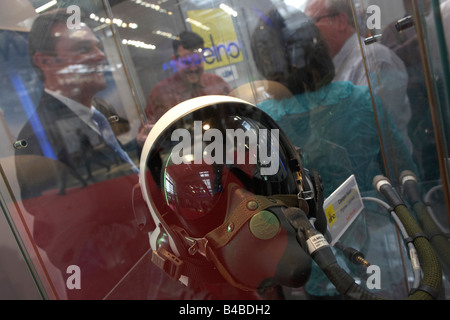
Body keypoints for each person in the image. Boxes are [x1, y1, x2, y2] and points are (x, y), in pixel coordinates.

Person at [250, 6, 417, 298]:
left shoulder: (260, 123)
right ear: (318, 49)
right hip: (381, 254)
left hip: (313, 269)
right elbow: (404, 171)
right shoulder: (361, 100)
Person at [13, 8, 152, 299]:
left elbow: (103, 174)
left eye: (98, 46)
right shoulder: (38, 141)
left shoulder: (97, 110)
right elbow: (73, 246)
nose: (100, 56)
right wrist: (155, 220)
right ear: (46, 62)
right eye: (83, 49)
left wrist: (139, 150)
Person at [305, 0, 414, 155]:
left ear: (340, 21)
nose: (307, 34)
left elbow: (372, 131)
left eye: (311, 22)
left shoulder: (374, 59)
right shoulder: (334, 64)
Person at [137, 31, 231, 146]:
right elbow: (146, 133)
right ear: (175, 60)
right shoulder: (161, 92)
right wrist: (144, 136)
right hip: (182, 156)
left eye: (198, 61)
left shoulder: (216, 82)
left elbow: (236, 120)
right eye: (187, 62)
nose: (193, 68)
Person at [380, 0, 440, 182]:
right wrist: (418, 39)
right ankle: (425, 182)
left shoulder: (436, 21)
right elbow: (392, 56)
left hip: (436, 88)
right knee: (418, 142)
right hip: (412, 94)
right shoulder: (395, 28)